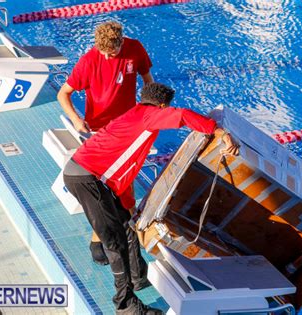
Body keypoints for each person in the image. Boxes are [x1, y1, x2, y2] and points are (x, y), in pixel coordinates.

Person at [63, 83, 239, 314]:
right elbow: (183, 115)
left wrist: (126, 205)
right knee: (114, 241)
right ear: (163, 106)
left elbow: (121, 167)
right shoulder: (149, 116)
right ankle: (125, 305)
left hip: (89, 175)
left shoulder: (135, 113)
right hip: (87, 178)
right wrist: (220, 132)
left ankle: (137, 276)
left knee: (126, 224)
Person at [57, 21, 153, 266]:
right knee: (110, 187)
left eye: (113, 52)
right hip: (100, 131)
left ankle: (106, 239)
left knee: (123, 185)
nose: (109, 57)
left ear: (121, 41)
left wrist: (150, 110)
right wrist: (76, 119)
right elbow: (63, 93)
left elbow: (148, 81)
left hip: (128, 127)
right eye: (105, 53)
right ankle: (131, 239)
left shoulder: (135, 49)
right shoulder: (89, 60)